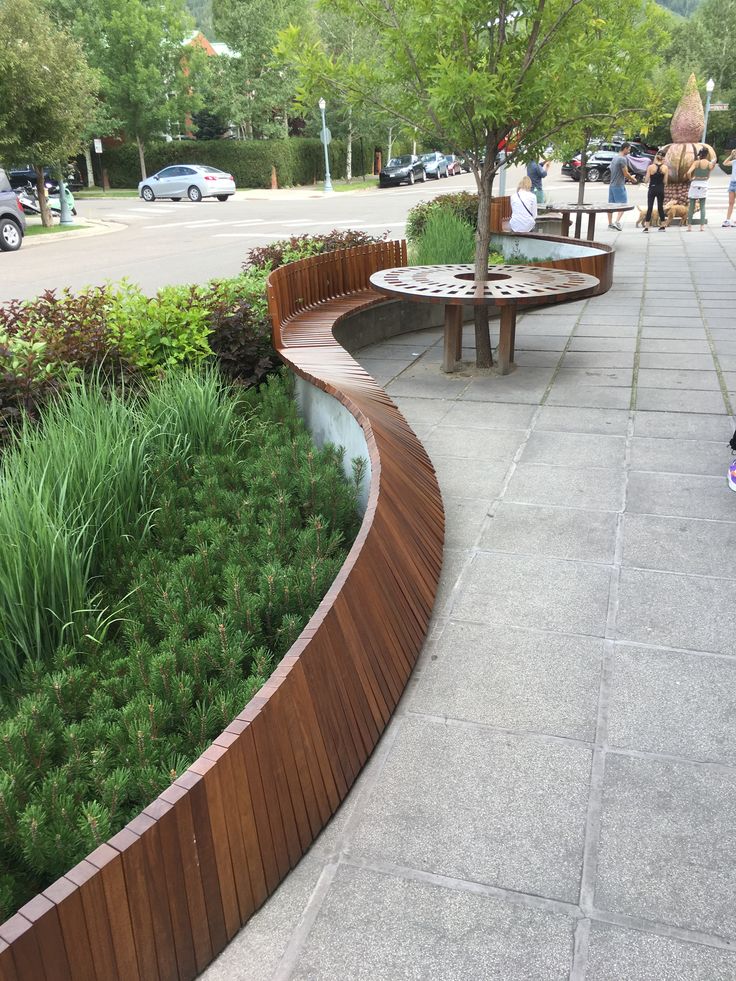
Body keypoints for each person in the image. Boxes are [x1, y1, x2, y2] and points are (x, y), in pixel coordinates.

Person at [685, 147, 717, 232]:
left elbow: (688, 172)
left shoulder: (696, 163)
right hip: (704, 184)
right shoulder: (710, 164)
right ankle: (702, 226)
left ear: (700, 155)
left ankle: (689, 226)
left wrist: (691, 179)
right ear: (707, 155)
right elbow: (709, 176)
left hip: (695, 184)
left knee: (691, 206)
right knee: (702, 206)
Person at [607, 144, 635, 230]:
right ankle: (617, 222)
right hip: (619, 185)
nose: (629, 152)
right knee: (623, 204)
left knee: (610, 205)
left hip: (612, 185)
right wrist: (632, 179)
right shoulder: (623, 159)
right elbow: (625, 173)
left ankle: (610, 224)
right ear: (625, 149)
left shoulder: (615, 157)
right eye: (629, 150)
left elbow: (611, 169)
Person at [642, 151, 669, 232]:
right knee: (660, 207)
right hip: (660, 188)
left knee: (650, 207)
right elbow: (665, 181)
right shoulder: (665, 168)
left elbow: (646, 180)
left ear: (655, 157)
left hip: (652, 188)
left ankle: (647, 227)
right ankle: (663, 226)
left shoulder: (650, 167)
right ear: (663, 158)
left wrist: (645, 179)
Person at [721, 147, 736, 226]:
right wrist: (731, 155)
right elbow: (724, 163)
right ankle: (728, 220)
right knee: (731, 202)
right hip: (732, 183)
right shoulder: (734, 162)